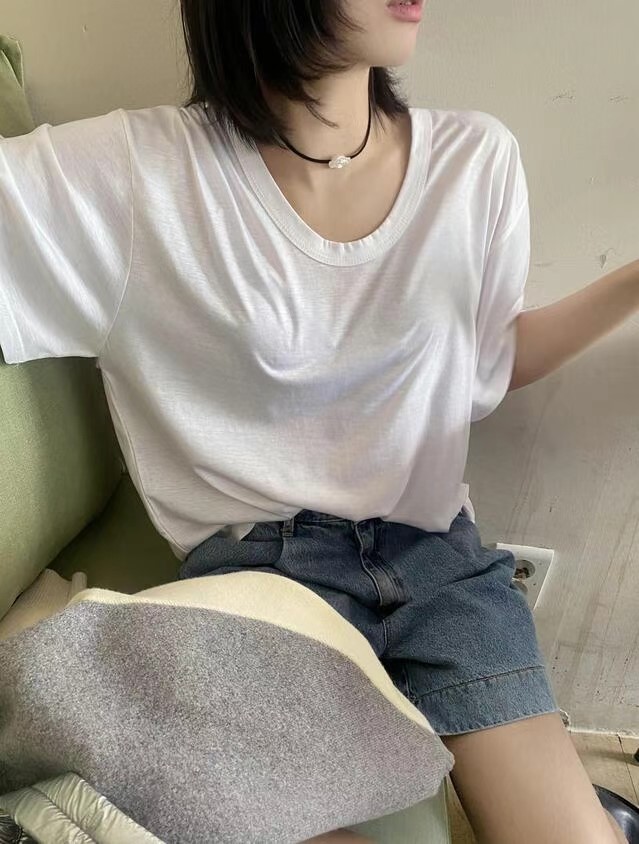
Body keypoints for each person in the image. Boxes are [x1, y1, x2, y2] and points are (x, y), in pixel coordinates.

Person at [1, 1, 637, 842]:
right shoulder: (133, 174)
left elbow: (485, 361)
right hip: (266, 574)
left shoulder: (475, 159)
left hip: (439, 560)